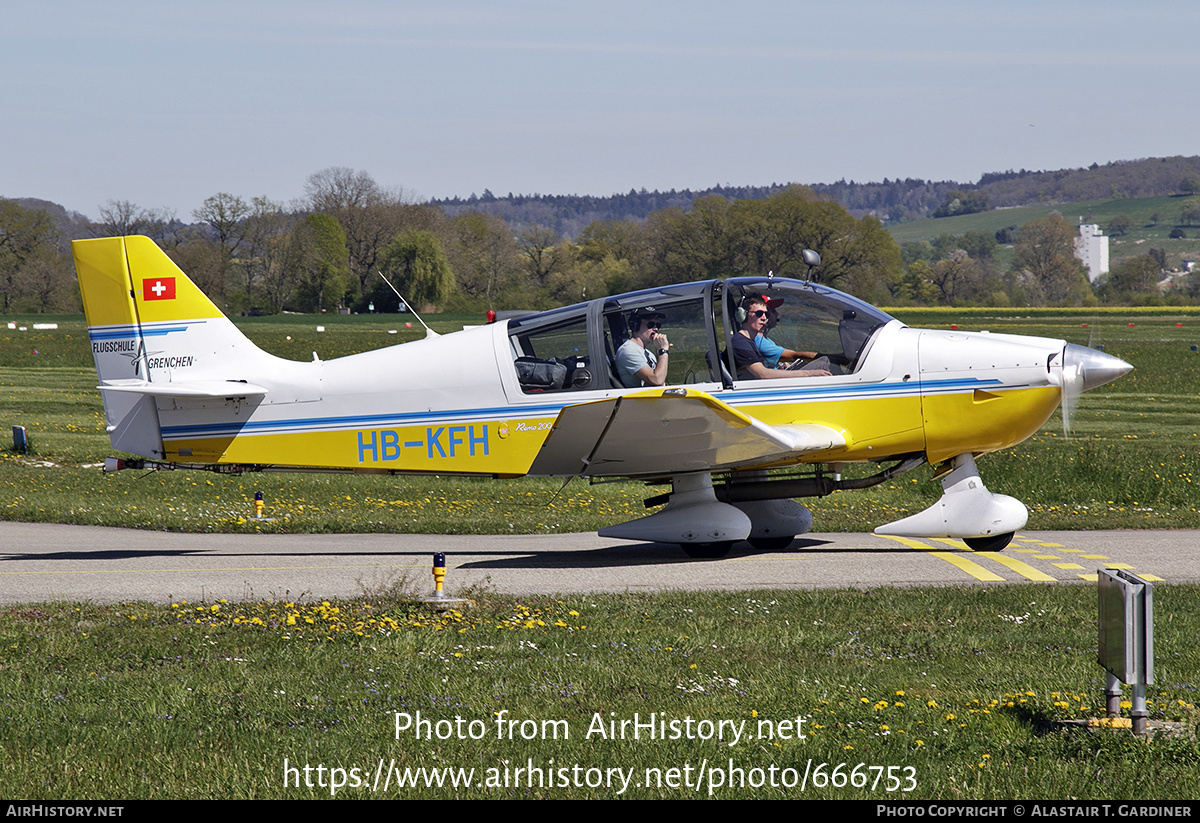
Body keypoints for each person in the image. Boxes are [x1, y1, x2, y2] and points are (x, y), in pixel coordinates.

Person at [732, 297, 830, 380]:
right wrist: (810, 373)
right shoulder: (740, 343)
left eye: (766, 314)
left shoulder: (750, 341)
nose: (764, 318)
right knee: (822, 364)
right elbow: (763, 374)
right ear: (743, 315)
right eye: (758, 313)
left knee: (824, 362)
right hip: (762, 391)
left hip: (766, 386)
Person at [749, 295, 820, 368]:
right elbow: (794, 356)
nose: (777, 314)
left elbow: (785, 364)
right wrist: (822, 357)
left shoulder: (766, 340)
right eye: (773, 311)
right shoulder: (759, 342)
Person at [616, 307, 671, 387]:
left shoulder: (649, 354)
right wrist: (663, 351)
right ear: (635, 325)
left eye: (658, 325)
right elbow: (657, 380)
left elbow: (661, 382)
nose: (655, 329)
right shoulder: (628, 350)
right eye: (650, 324)